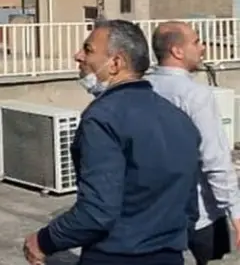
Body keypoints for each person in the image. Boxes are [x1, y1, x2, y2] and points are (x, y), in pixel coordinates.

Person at [22, 19, 201, 265]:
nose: (78, 56)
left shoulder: (103, 118)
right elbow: (190, 208)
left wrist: (43, 241)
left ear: (116, 63)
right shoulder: (180, 120)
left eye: (88, 50)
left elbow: (97, 213)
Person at [148, 21, 240, 265]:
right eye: (197, 41)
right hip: (200, 213)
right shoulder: (195, 96)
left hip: (153, 211)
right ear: (177, 51)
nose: (203, 48)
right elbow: (214, 159)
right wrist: (235, 211)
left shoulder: (143, 88)